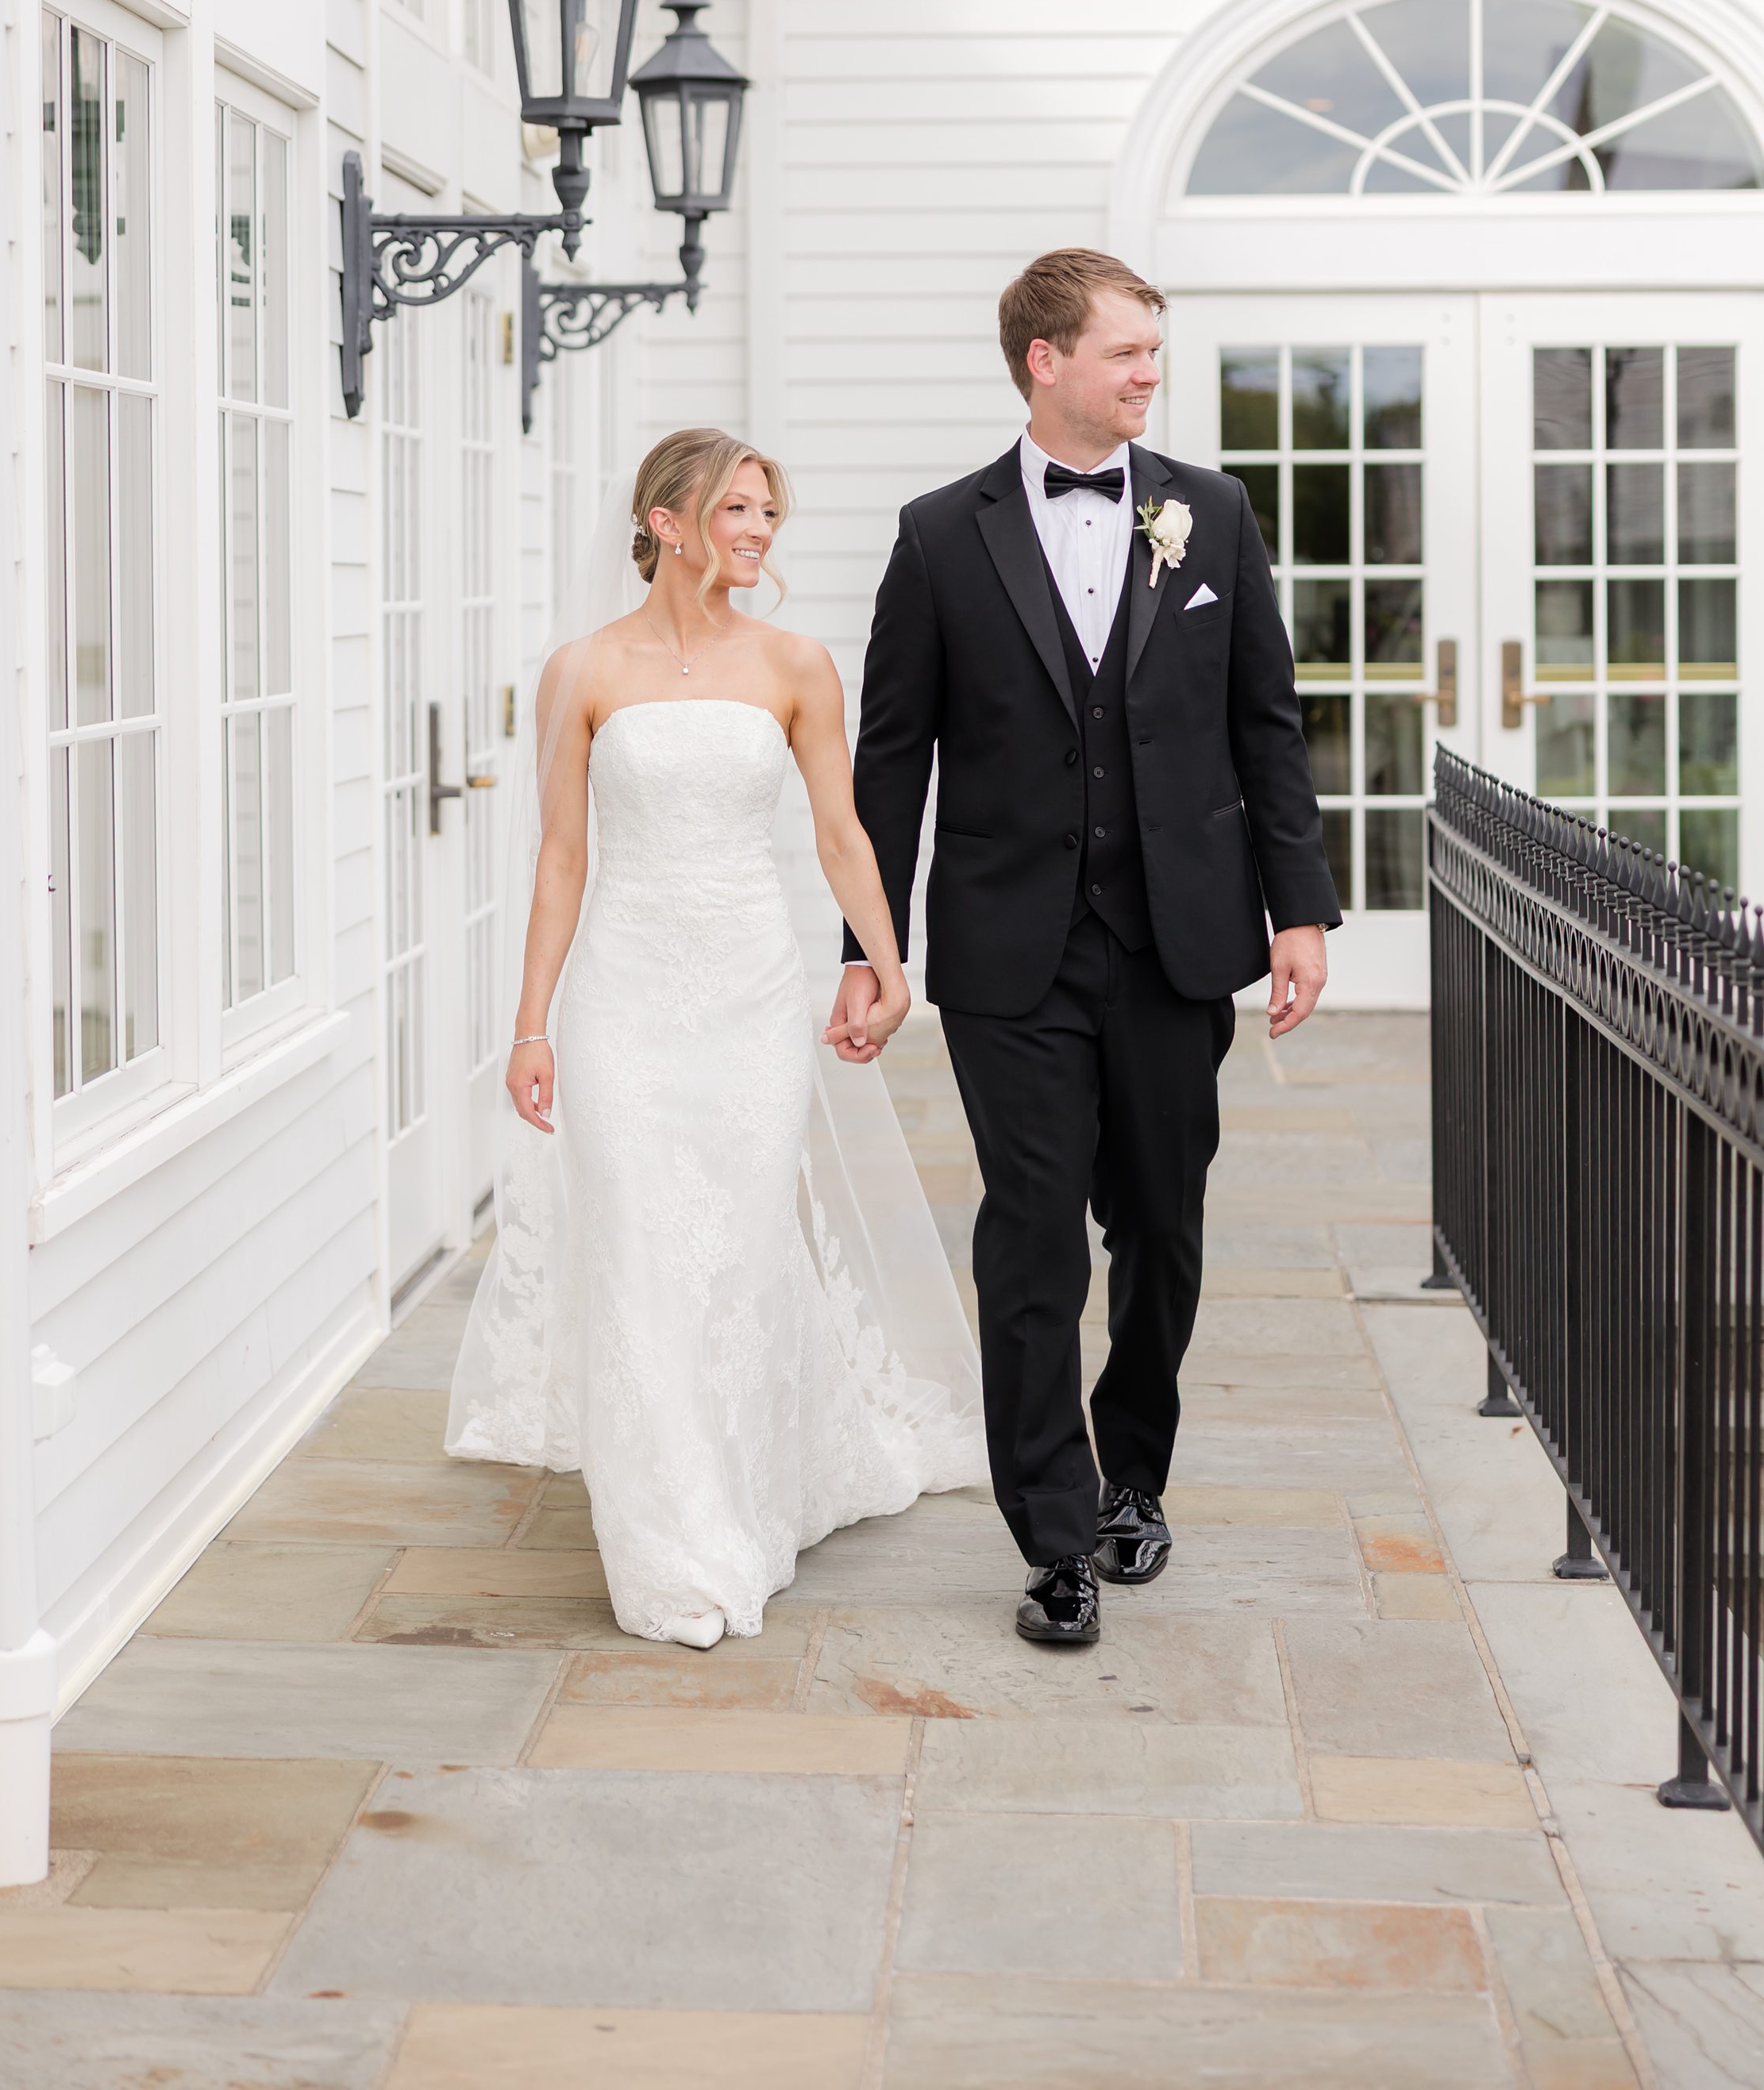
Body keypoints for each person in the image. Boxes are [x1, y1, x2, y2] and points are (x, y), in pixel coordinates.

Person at [830, 249, 1341, 1649]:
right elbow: (891, 765)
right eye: (1126, 353)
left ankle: (1135, 1477)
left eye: (1154, 356)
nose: (1148, 375)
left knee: (1162, 1232)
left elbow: (1265, 725)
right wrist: (867, 949)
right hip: (1010, 954)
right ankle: (1053, 1532)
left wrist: (1296, 907)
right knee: (1035, 1237)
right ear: (1044, 360)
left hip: (1177, 939)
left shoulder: (1212, 515)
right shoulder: (941, 536)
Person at [446, 429, 984, 1649]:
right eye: (738, 508)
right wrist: (530, 1025)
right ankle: (671, 1541)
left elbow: (842, 836)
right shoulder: (581, 672)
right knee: (640, 1253)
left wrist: (889, 968)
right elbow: (562, 858)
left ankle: (743, 1496)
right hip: (621, 1003)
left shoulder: (796, 665)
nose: (757, 531)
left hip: (749, 997)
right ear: (667, 519)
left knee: (737, 1251)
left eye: (768, 514)